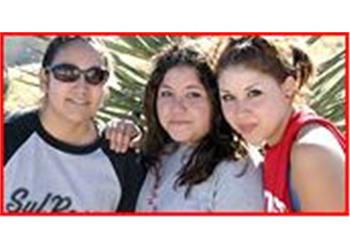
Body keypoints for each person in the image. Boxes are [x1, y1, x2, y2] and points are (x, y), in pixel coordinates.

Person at [4, 36, 144, 213]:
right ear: (45, 79)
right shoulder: (9, 137)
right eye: (67, 73)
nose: (81, 88)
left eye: (95, 76)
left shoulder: (122, 159)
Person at [215, 36, 345, 212]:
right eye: (228, 97)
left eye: (254, 93)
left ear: (288, 88)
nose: (240, 111)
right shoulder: (279, 142)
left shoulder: (311, 153)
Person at [133, 44, 264, 211]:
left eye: (193, 94)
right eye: (167, 93)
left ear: (216, 100)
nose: (177, 107)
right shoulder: (162, 153)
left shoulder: (237, 170)